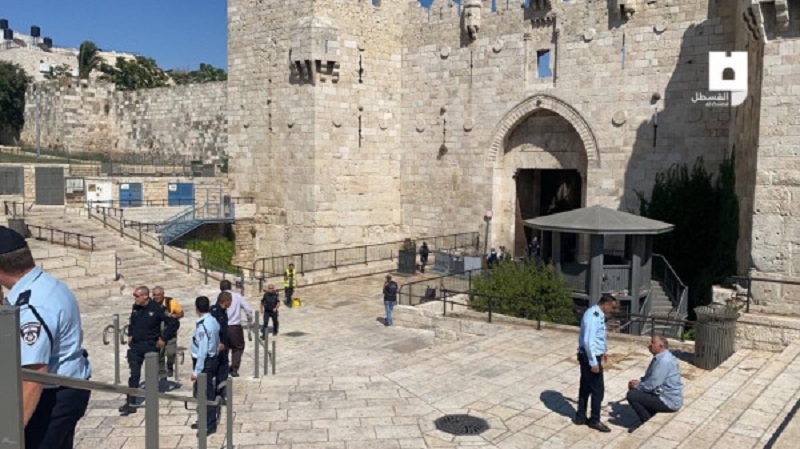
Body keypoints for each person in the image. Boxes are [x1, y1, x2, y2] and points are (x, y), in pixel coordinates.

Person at [0, 226, 92, 449]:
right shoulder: (47, 284)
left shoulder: (32, 305)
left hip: (50, 398)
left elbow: (33, 374)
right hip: (70, 388)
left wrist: (9, 435)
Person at [119, 285, 178, 415]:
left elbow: (173, 323)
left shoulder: (157, 309)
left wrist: (164, 338)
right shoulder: (136, 308)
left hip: (150, 346)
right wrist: (130, 334)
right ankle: (130, 403)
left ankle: (151, 400)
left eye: (136, 296)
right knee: (134, 375)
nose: (135, 298)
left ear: (145, 296)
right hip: (136, 346)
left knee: (151, 375)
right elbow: (132, 322)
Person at [575, 294, 617, 432]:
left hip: (591, 355)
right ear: (606, 304)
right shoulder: (593, 316)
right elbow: (588, 341)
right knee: (598, 390)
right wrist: (593, 362)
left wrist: (603, 350)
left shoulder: (597, 314)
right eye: (612, 307)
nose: (612, 310)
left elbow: (599, 337)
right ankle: (594, 419)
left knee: (586, 386)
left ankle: (581, 416)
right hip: (589, 357)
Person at [626, 335, 683, 430]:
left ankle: (646, 421)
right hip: (662, 394)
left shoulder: (663, 361)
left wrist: (637, 386)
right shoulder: (662, 357)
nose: (649, 345)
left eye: (652, 343)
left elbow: (652, 385)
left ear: (660, 346)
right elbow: (650, 378)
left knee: (632, 395)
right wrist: (639, 382)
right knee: (638, 390)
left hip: (668, 400)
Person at [189, 296, 221, 434]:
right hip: (212, 359)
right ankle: (204, 419)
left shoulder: (202, 325)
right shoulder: (213, 320)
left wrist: (196, 371)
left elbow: (202, 350)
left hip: (205, 363)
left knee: (206, 394)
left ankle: (209, 424)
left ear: (197, 309)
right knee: (204, 392)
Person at [220, 280, 253, 377]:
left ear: (221, 288)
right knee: (238, 347)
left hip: (222, 327)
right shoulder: (238, 296)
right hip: (235, 327)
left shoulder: (218, 298)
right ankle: (234, 369)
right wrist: (249, 320)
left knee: (224, 348)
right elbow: (248, 309)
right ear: (230, 287)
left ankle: (224, 368)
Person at [152, 286, 183, 379]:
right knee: (160, 355)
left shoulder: (171, 302)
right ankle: (162, 374)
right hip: (158, 334)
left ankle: (170, 365)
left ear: (163, 294)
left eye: (158, 295)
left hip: (170, 334)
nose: (156, 297)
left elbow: (181, 313)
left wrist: (173, 316)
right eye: (154, 295)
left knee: (171, 353)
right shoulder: (151, 304)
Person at [210, 291, 231, 399]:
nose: (230, 303)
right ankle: (216, 392)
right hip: (217, 346)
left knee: (223, 368)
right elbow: (213, 329)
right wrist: (219, 342)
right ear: (225, 300)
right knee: (218, 368)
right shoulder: (215, 312)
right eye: (230, 301)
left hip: (223, 345)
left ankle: (221, 390)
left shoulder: (223, 311)